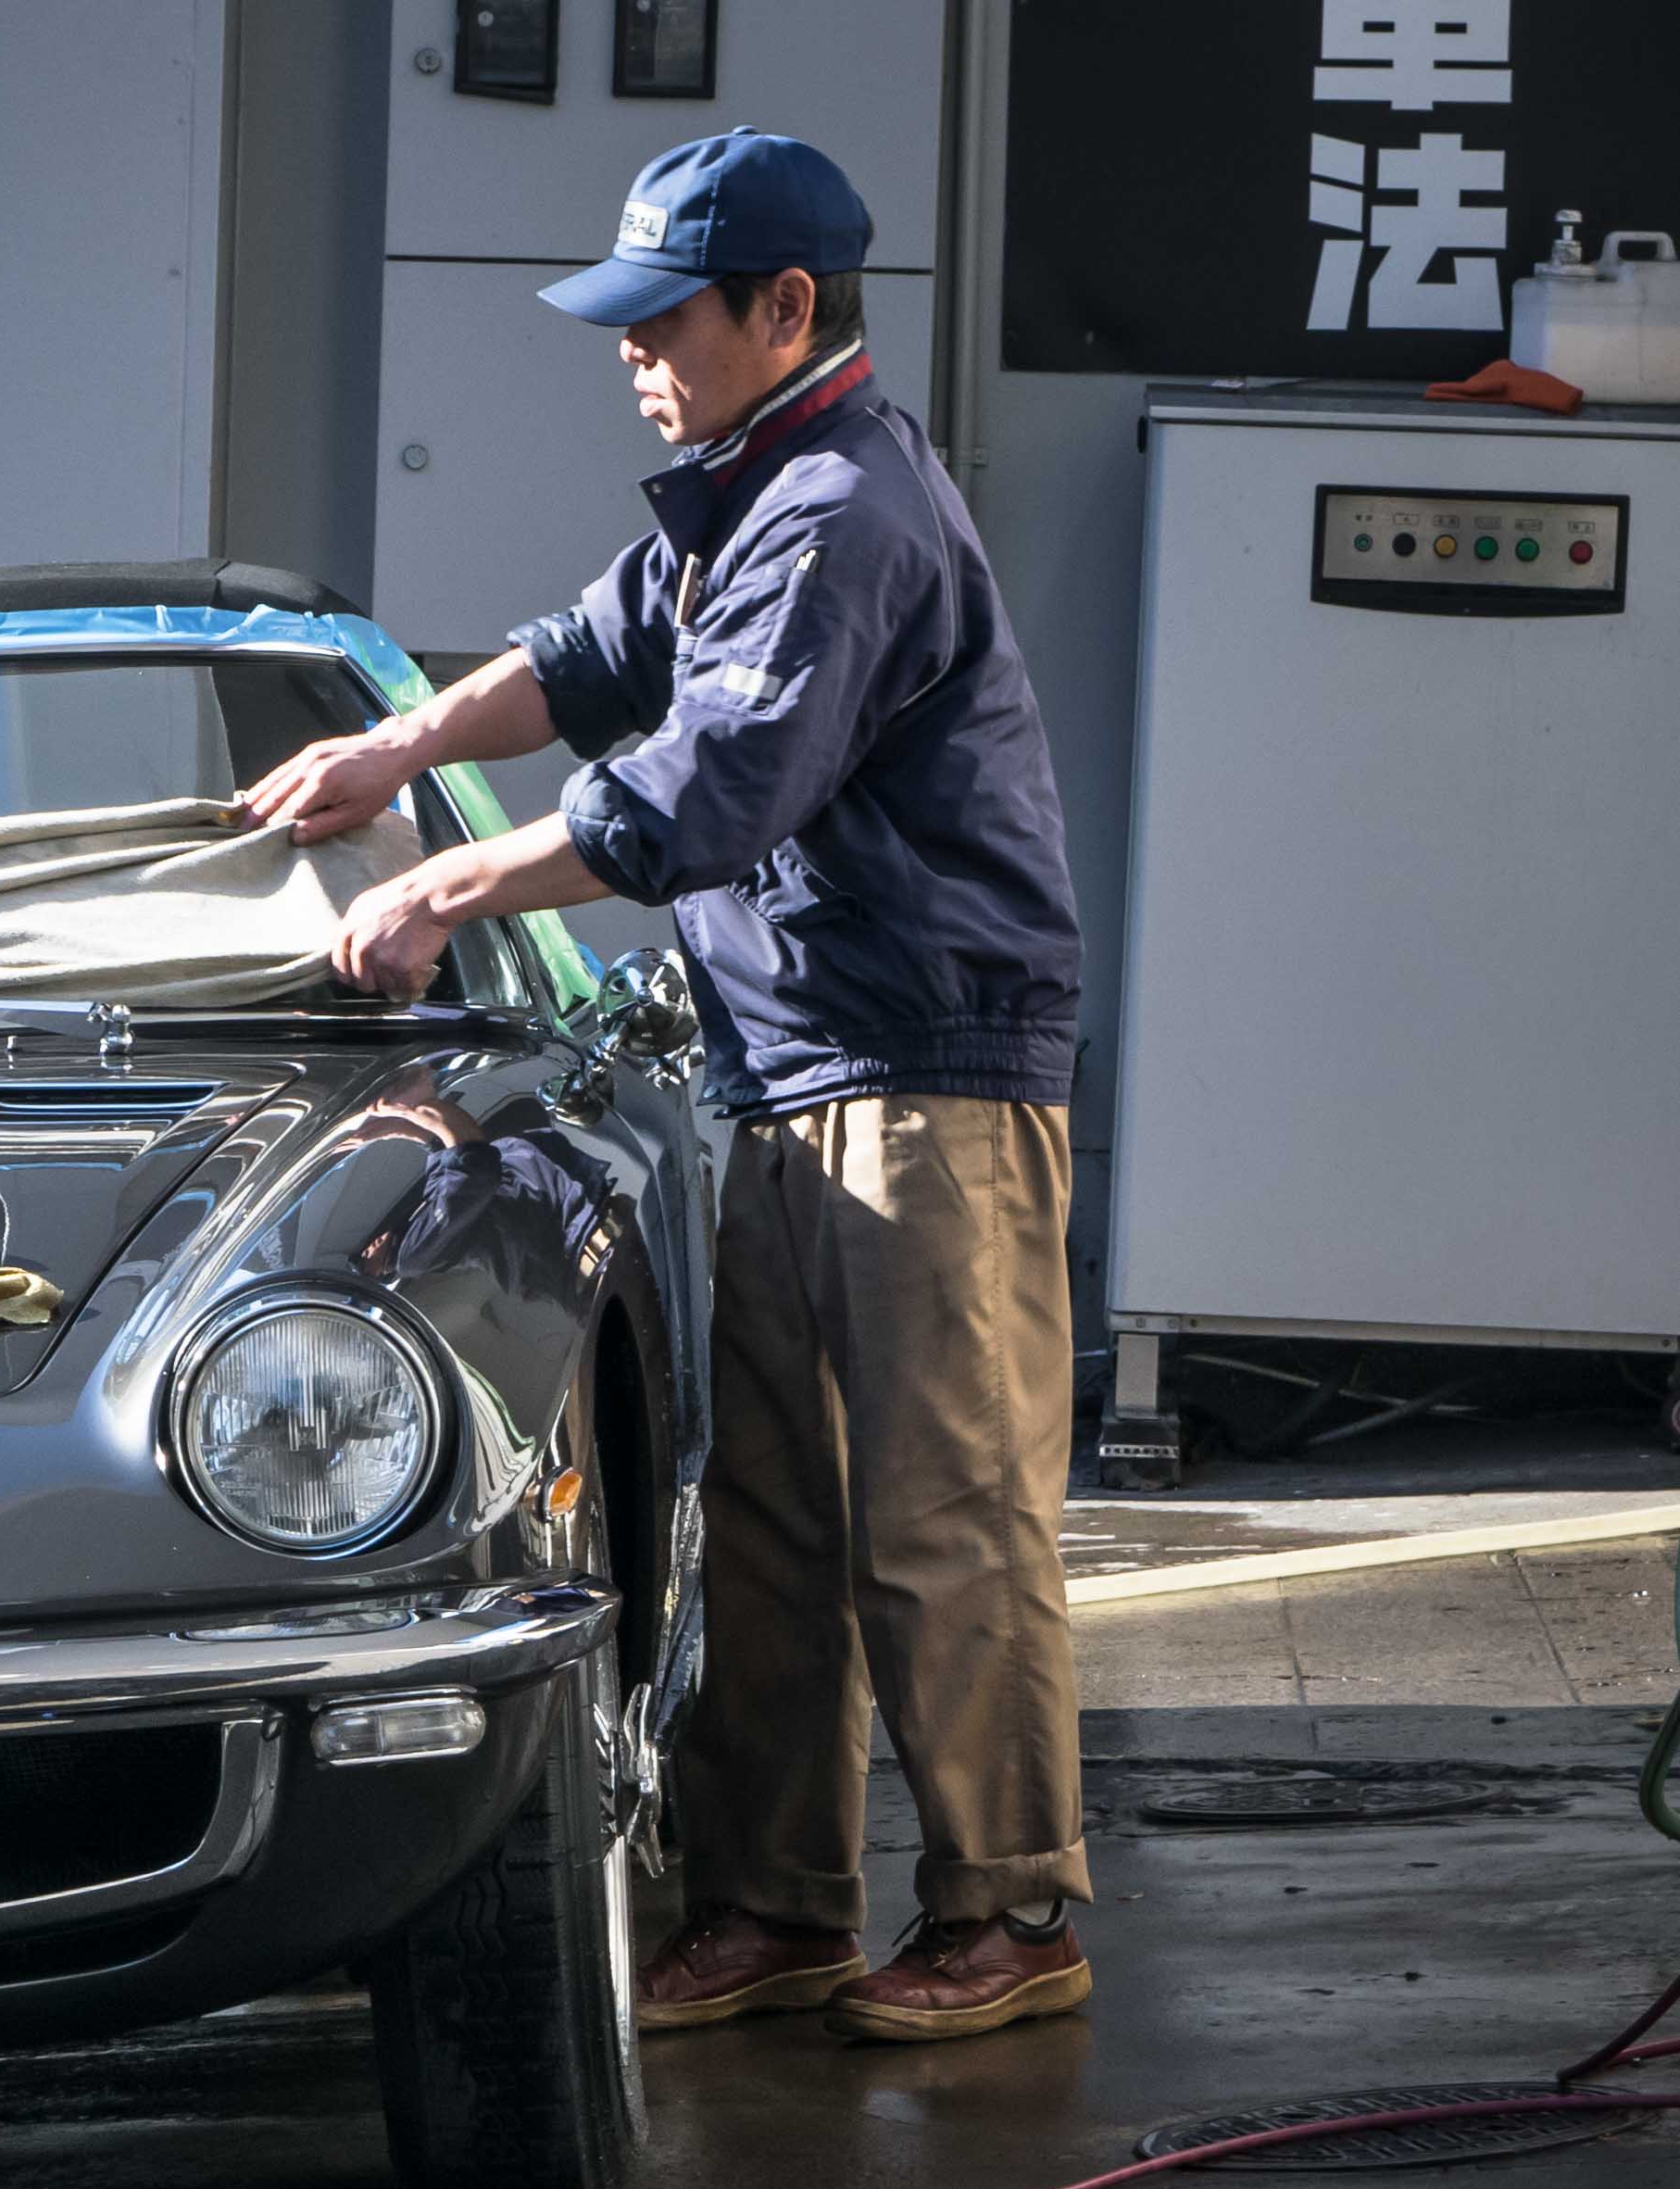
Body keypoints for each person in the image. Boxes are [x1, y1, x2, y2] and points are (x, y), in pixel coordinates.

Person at [244, 131, 1094, 2046]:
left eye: (661, 321)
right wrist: (387, 749)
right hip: (791, 1062)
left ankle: (1012, 1912)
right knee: (774, 1514)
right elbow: (586, 653)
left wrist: (442, 879)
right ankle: (772, 1902)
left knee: (940, 1517)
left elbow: (700, 791)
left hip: (926, 1068)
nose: (631, 354)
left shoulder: (845, 510)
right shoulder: (745, 487)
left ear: (781, 310)